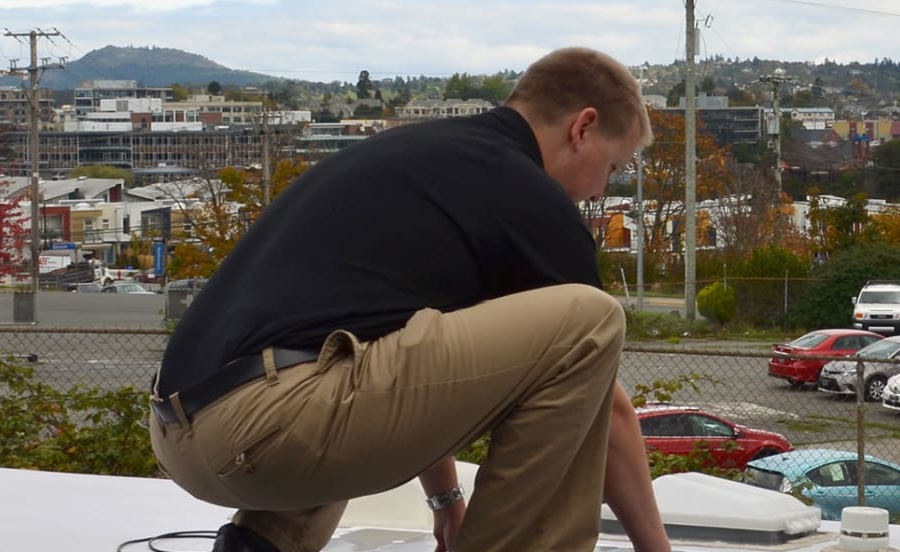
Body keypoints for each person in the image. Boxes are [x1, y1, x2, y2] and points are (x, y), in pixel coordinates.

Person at [150, 46, 670, 552]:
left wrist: (445, 500)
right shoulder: (529, 194)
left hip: (186, 433)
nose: (601, 191)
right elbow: (606, 409)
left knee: (339, 363)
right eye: (613, 166)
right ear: (583, 127)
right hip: (268, 425)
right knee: (591, 320)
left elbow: (404, 355)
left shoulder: (420, 158)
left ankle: (262, 542)